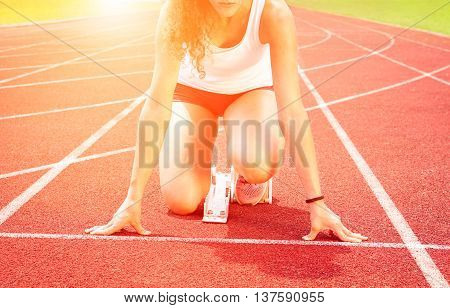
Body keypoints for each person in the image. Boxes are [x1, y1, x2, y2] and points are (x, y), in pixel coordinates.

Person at [85, 0, 367, 243]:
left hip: (250, 94)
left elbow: (291, 108)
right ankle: (205, 168)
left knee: (256, 163)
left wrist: (316, 202)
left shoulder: (272, 12)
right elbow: (157, 104)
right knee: (181, 202)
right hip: (191, 95)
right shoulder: (178, 9)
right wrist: (132, 199)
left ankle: (246, 175)